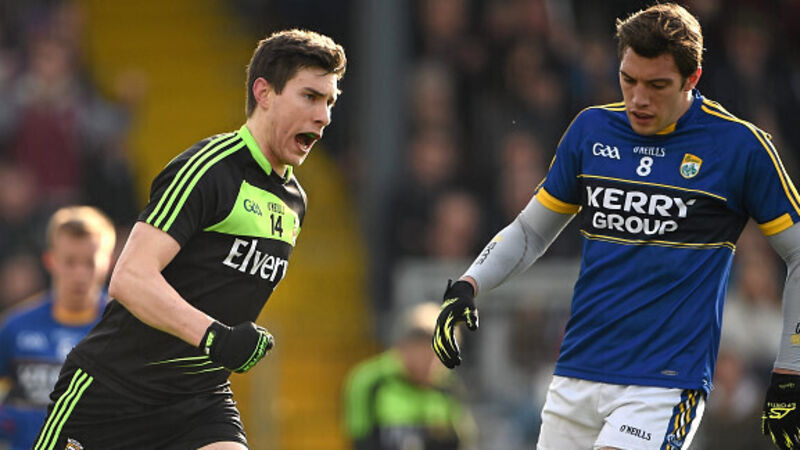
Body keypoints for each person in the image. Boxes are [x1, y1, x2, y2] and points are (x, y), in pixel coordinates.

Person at [430, 3, 800, 449]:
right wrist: (469, 284)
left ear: (692, 78)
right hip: (577, 373)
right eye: (628, 80)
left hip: (663, 383)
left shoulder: (740, 147)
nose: (638, 98)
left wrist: (791, 369)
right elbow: (530, 232)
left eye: (656, 85)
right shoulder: (592, 130)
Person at [33, 29, 346, 449]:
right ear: (264, 93)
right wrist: (215, 336)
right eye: (310, 96)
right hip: (113, 395)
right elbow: (129, 277)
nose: (324, 116)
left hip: (199, 401)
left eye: (329, 102)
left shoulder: (295, 202)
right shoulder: (209, 169)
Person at [0, 206, 115, 450]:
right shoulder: (15, 327)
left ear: (108, 262)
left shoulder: (122, 330)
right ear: (50, 260)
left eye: (90, 262)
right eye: (70, 262)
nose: (79, 274)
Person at [343, 302, 475, 450]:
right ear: (406, 346)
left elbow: (464, 439)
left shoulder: (449, 386)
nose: (437, 364)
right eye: (431, 354)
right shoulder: (371, 382)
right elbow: (360, 440)